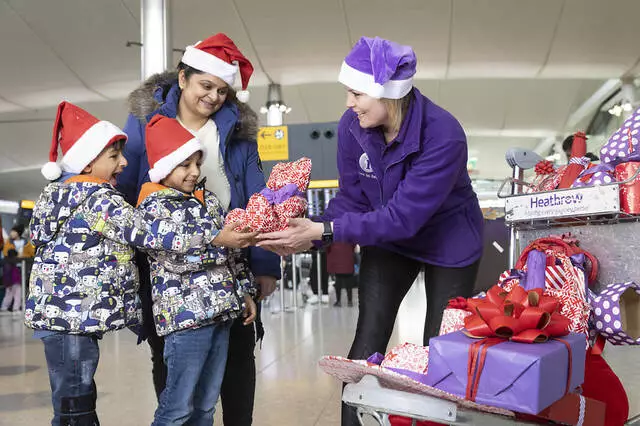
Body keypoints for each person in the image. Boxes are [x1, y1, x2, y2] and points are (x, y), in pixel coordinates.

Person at [257, 36, 484, 426]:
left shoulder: (443, 134)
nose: (349, 103)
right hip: (390, 239)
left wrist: (325, 230)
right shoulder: (353, 126)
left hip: (449, 242)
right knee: (367, 342)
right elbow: (352, 199)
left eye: (356, 93)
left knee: (442, 353)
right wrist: (308, 233)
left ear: (388, 94)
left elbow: (403, 217)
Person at [117, 33, 280, 425]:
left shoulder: (239, 132)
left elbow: (259, 199)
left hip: (231, 264)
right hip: (165, 270)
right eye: (206, 85)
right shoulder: (145, 123)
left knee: (239, 357)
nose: (213, 97)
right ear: (183, 76)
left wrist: (265, 263)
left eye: (223, 91)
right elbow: (123, 193)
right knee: (173, 362)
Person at [26, 101, 221, 425]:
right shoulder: (98, 199)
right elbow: (149, 232)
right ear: (87, 163)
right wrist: (215, 236)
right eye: (114, 157)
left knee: (72, 396)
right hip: (72, 319)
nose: (124, 163)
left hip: (62, 319)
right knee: (76, 399)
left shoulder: (58, 196)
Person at [139, 115, 257, 425]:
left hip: (222, 315)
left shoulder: (210, 201)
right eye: (185, 165)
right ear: (164, 167)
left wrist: (244, 290)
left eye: (197, 164)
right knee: (177, 407)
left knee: (205, 406)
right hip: (185, 322)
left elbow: (234, 253)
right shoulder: (153, 207)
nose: (194, 172)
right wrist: (219, 239)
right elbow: (174, 258)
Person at [326, 242, 356, 307]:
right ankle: (350, 301)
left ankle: (338, 301)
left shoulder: (334, 236)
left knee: (338, 283)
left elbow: (328, 247)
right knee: (349, 283)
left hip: (338, 261)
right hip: (348, 260)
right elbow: (354, 245)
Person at [0, 249, 21, 314]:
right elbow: (9, 273)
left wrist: (7, 283)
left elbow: (6, 274)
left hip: (10, 282)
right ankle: (16, 308)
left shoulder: (6, 261)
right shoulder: (12, 262)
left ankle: (4, 307)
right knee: (17, 295)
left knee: (8, 295)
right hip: (14, 281)